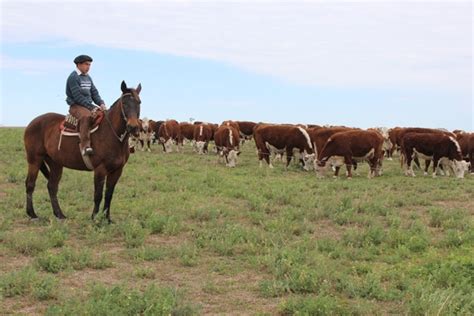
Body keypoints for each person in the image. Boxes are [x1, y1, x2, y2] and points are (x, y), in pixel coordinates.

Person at [65, 54, 106, 156]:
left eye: (89, 65)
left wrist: (101, 103)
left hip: (87, 105)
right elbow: (78, 97)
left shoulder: (88, 78)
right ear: (79, 65)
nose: (88, 67)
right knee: (86, 117)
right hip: (76, 106)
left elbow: (94, 93)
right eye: (86, 64)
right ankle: (85, 146)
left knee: (105, 115)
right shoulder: (73, 77)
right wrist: (92, 107)